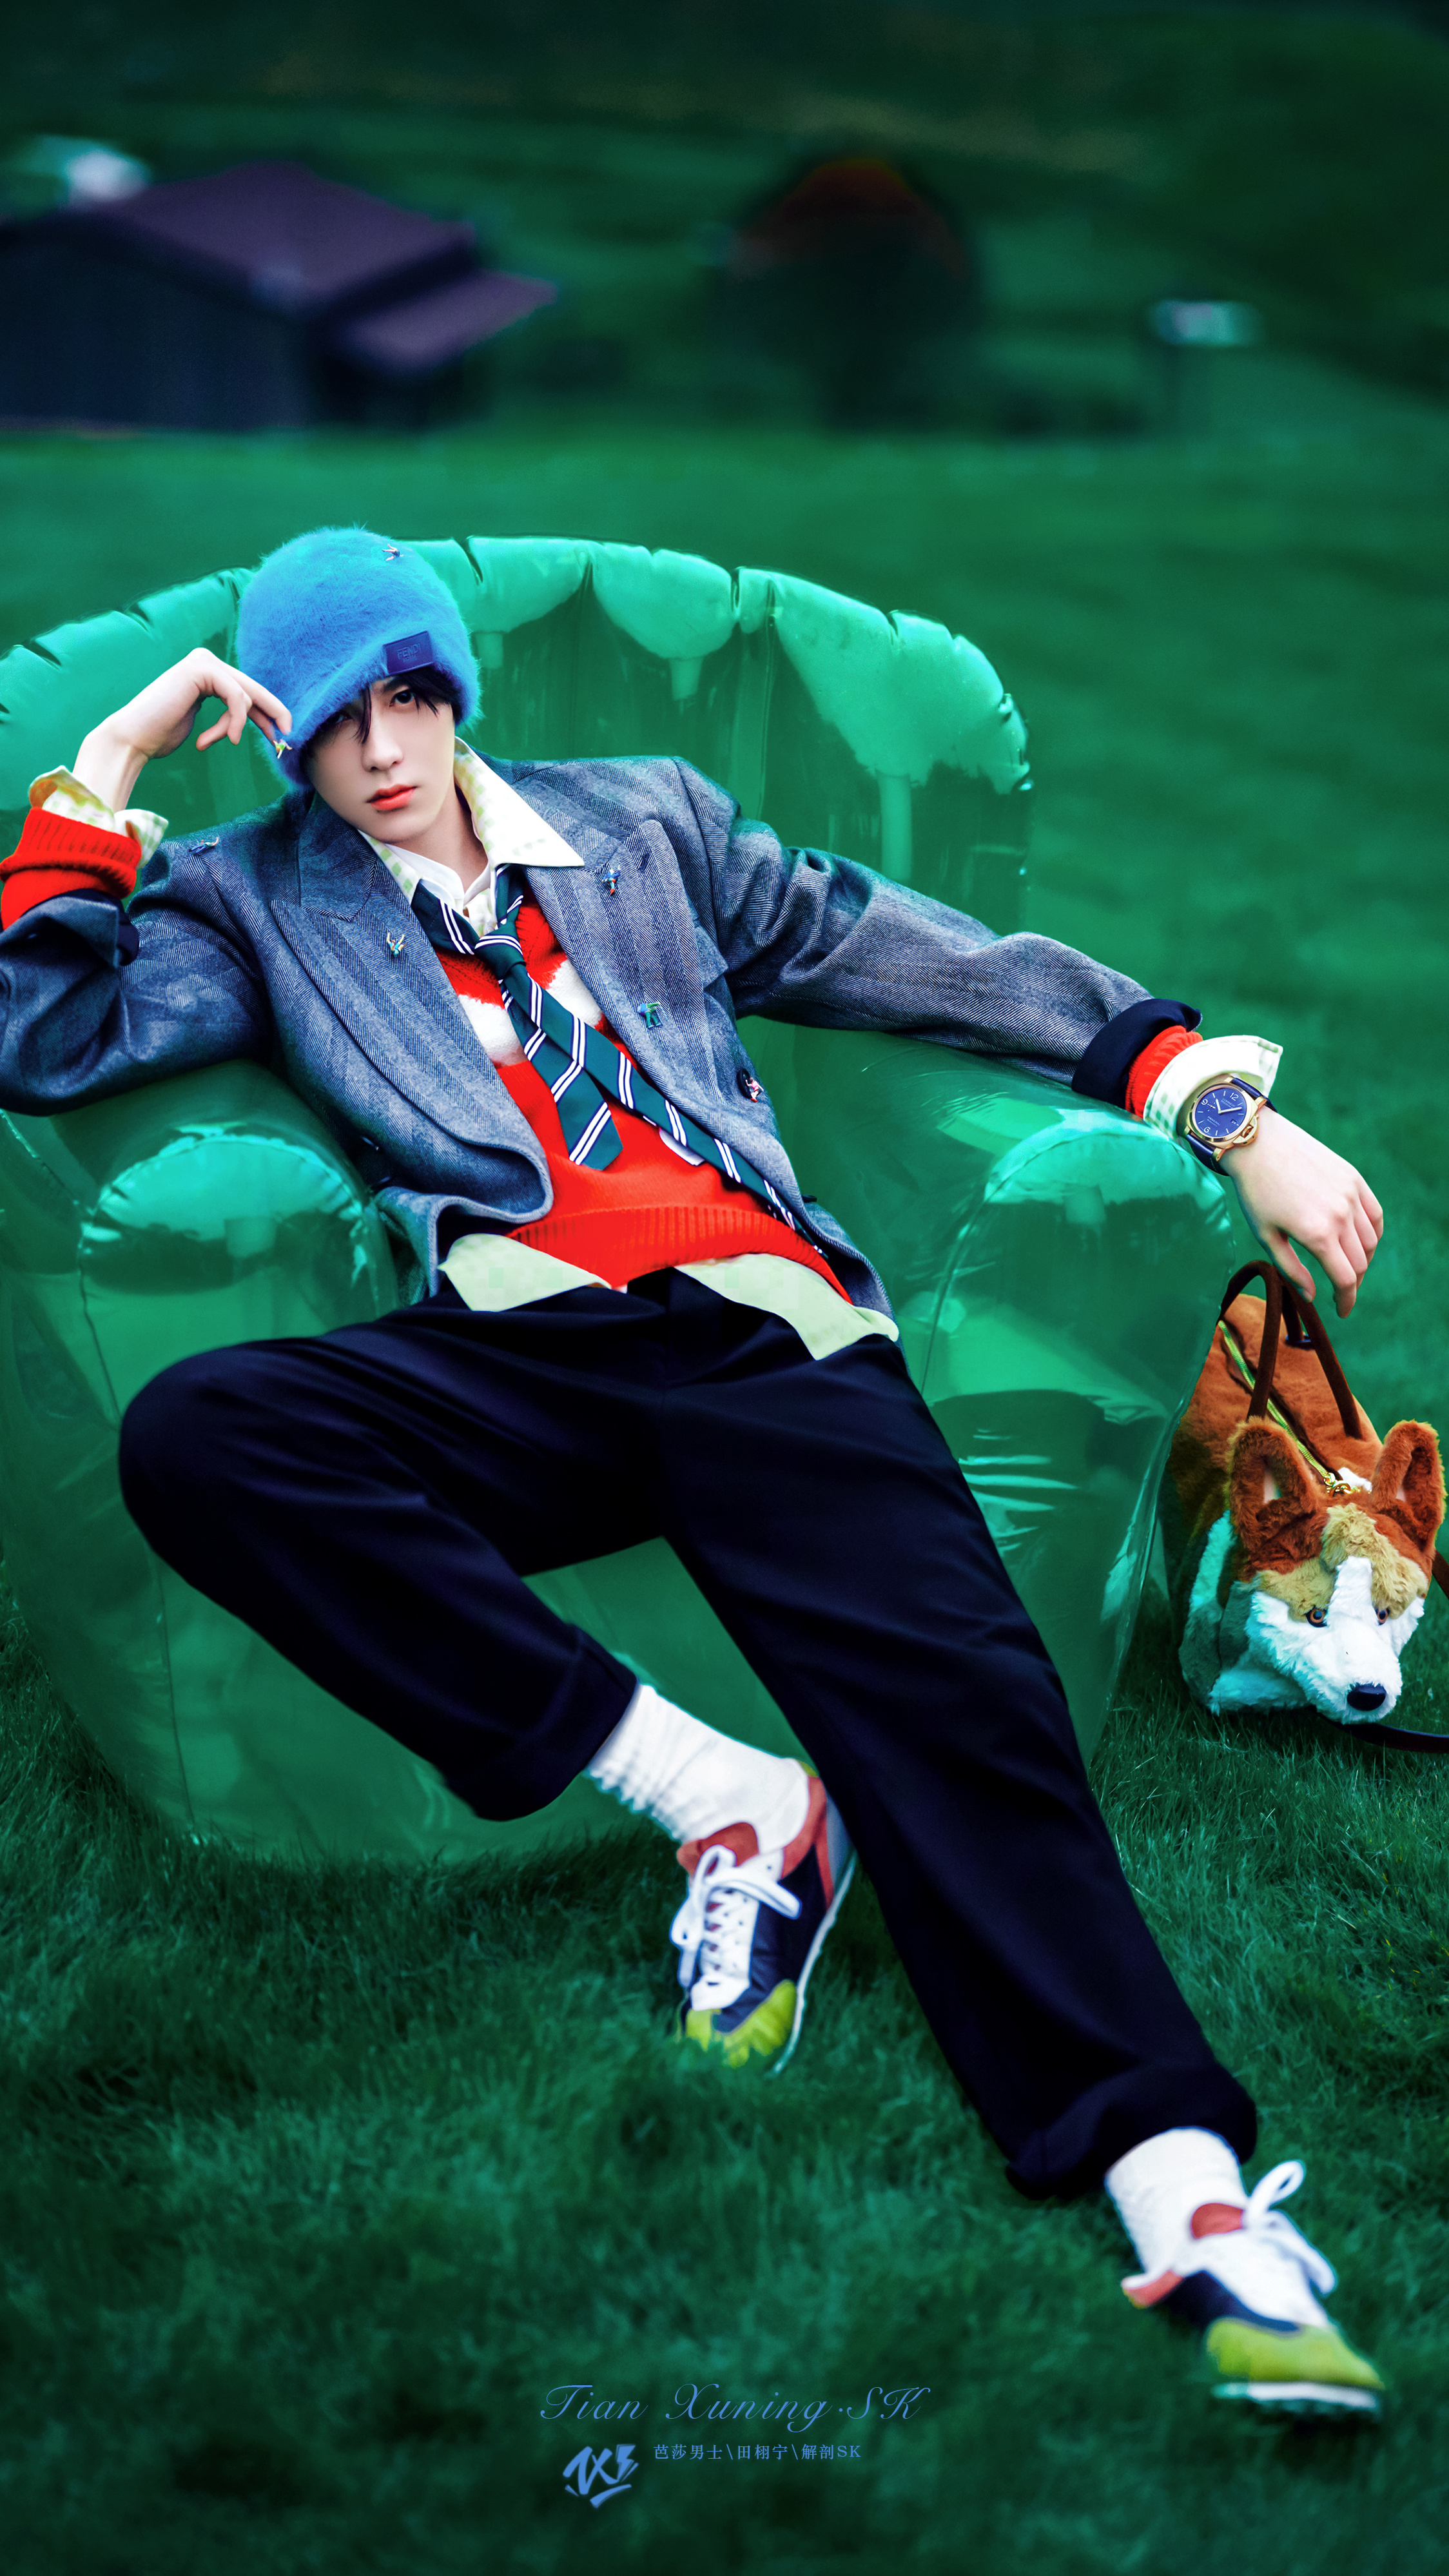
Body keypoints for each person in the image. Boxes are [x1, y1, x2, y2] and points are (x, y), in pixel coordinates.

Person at [0, 527, 1386, 2415]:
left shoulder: (641, 822)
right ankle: (727, 1801)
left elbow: (905, 949)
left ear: (451, 685)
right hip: (518, 1349)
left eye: (407, 696)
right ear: (282, 741)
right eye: (330, 722)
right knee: (205, 1437)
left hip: (766, 1335)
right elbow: (42, 1034)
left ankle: (1185, 2189)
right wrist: (103, 774)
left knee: (965, 1711)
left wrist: (1211, 1101)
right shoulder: (255, 895)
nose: (382, 751)